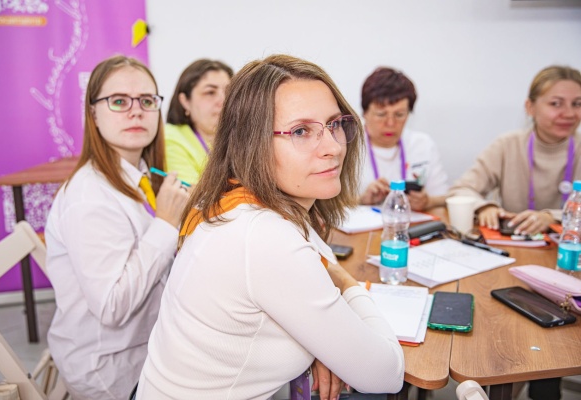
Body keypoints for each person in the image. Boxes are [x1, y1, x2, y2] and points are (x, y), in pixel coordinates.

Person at [136, 54, 405, 400]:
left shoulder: (235, 200)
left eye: (334, 124)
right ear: (252, 143)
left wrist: (321, 341)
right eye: (301, 131)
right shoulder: (262, 236)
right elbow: (386, 374)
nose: (333, 147)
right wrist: (348, 285)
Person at [45, 55, 189, 400]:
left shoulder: (138, 175)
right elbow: (112, 307)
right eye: (119, 101)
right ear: (93, 113)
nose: (136, 111)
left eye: (147, 101)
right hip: (113, 371)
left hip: (144, 343)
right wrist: (166, 223)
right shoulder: (89, 198)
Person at [449, 65, 581, 236]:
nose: (569, 113)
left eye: (577, 104)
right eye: (556, 104)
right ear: (530, 107)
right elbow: (461, 189)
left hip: (570, 247)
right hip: (515, 244)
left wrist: (551, 217)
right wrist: (485, 207)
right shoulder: (507, 145)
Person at [359, 67, 449, 211]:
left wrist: (428, 202)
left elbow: (444, 198)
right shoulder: (346, 147)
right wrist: (361, 200)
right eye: (381, 114)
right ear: (365, 113)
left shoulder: (423, 145)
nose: (390, 123)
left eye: (399, 114)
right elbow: (325, 205)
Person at [164, 59, 233, 185]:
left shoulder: (239, 139)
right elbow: (190, 195)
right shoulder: (171, 138)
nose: (223, 101)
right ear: (185, 101)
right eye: (210, 92)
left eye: (228, 92)